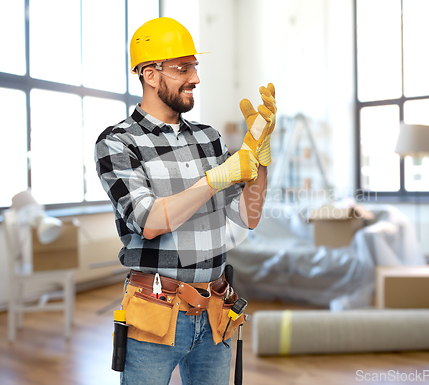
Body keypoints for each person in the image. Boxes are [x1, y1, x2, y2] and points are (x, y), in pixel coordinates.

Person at [95, 17, 276, 385]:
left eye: (194, 67)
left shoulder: (208, 138)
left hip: (215, 310)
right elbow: (147, 221)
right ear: (149, 73)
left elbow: (247, 216)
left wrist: (259, 162)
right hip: (156, 313)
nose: (195, 78)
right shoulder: (118, 142)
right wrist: (214, 180)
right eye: (183, 68)